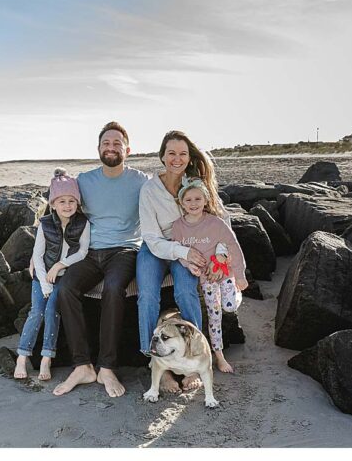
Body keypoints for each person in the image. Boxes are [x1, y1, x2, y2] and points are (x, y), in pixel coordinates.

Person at [53, 123, 149, 399]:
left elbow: (168, 201)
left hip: (125, 250)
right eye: (106, 143)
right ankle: (82, 364)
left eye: (117, 143)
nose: (111, 147)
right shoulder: (84, 180)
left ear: (127, 150)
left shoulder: (141, 181)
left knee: (113, 288)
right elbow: (59, 201)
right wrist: (42, 250)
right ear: (98, 149)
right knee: (66, 288)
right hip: (90, 252)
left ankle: (107, 366)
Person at [137, 131, 217, 387]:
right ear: (162, 156)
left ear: (189, 156)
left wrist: (218, 253)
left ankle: (195, 356)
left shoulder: (194, 183)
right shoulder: (149, 189)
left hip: (187, 246)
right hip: (156, 248)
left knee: (186, 291)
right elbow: (150, 237)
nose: (177, 158)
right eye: (171, 153)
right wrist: (182, 253)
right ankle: (154, 361)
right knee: (148, 295)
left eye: (182, 153)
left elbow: (217, 216)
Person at [14, 169, 90, 381]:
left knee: (52, 313)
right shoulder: (45, 223)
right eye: (62, 201)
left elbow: (83, 252)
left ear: (78, 203)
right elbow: (37, 256)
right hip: (42, 278)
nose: (67, 206)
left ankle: (47, 359)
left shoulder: (83, 223)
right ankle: (22, 356)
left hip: (64, 277)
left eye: (71, 201)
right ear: (53, 204)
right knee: (36, 312)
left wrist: (60, 265)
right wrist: (45, 282)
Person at [171, 177, 248, 375]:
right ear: (181, 202)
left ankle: (237, 292)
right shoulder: (178, 226)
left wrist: (239, 275)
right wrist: (189, 265)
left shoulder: (215, 223)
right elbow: (178, 251)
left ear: (205, 200)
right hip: (206, 280)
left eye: (198, 199)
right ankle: (219, 355)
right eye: (188, 200)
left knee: (229, 306)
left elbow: (233, 245)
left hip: (224, 272)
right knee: (215, 318)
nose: (193, 204)